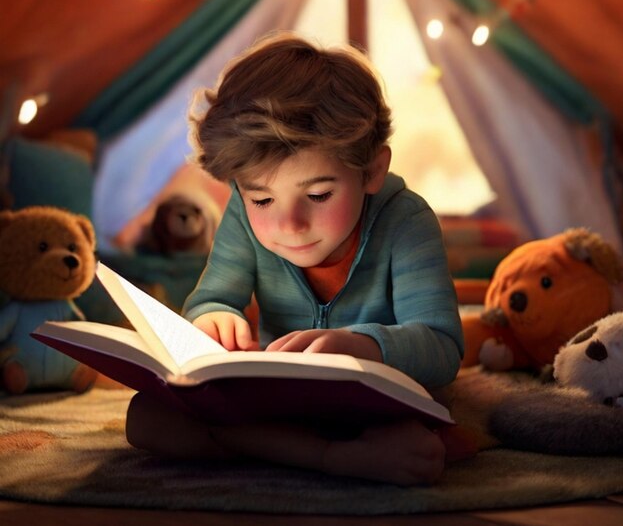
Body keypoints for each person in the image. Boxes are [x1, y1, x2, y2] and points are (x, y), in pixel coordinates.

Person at [126, 32, 473, 485]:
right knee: (145, 417)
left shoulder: (407, 221)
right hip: (280, 404)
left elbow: (443, 347)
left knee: (421, 446)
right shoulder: (239, 212)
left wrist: (364, 348)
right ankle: (329, 458)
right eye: (262, 200)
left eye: (318, 194)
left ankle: (280, 451)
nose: (289, 224)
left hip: (372, 404)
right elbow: (211, 298)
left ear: (371, 170)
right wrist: (214, 315)